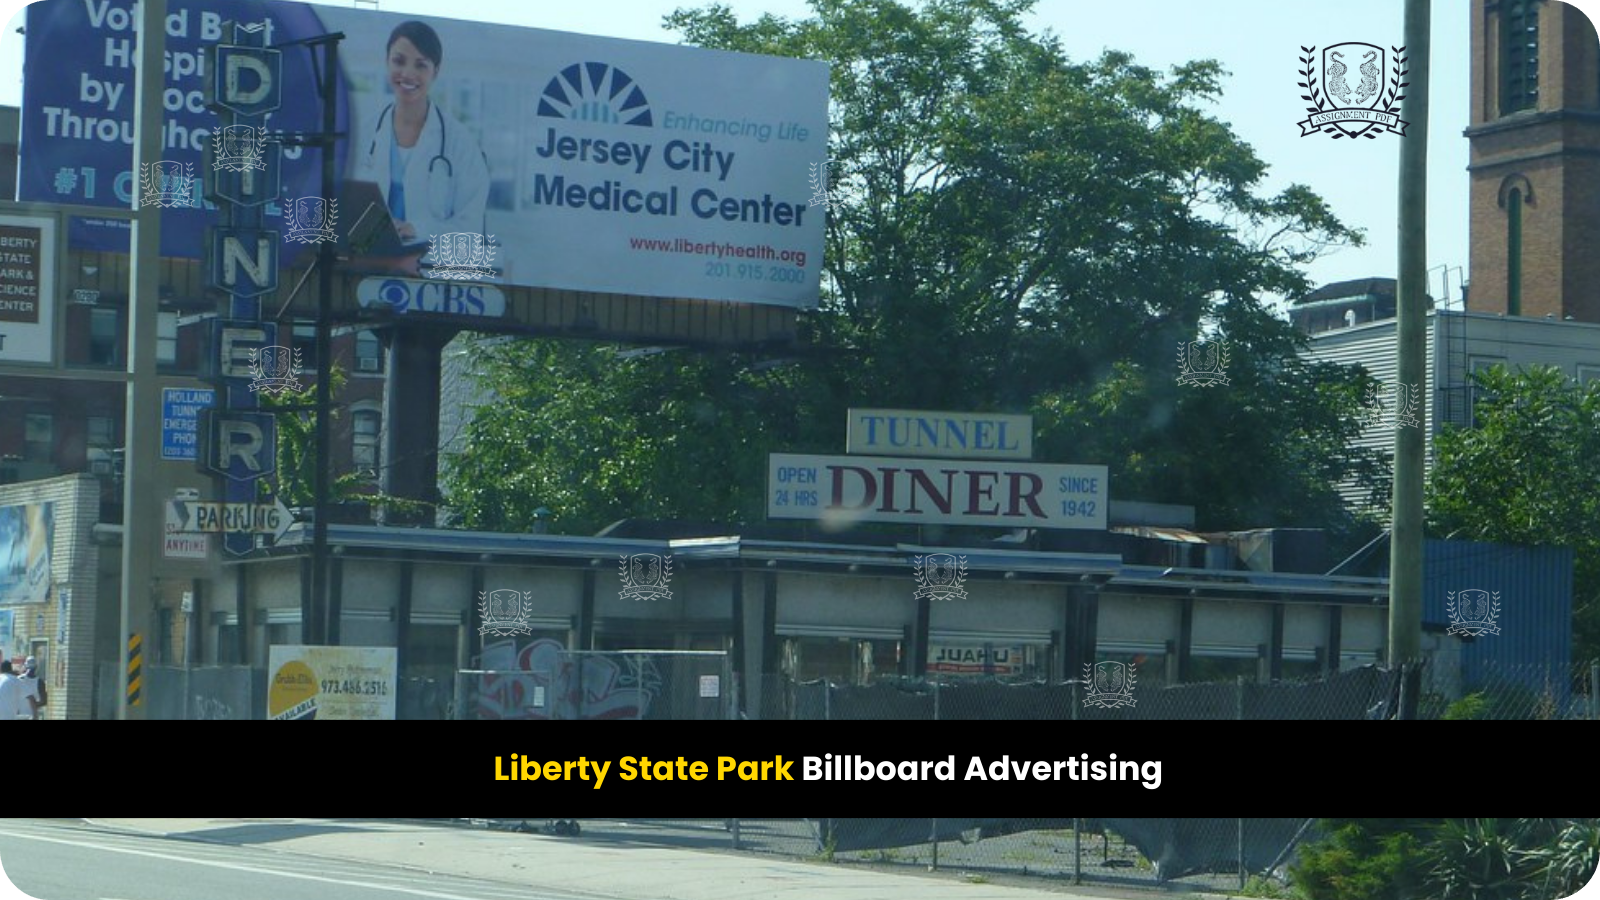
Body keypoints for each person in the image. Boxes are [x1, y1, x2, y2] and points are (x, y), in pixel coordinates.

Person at [354, 20, 490, 270]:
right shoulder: (365, 133)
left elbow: (471, 230)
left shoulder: (461, 144)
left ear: (435, 72)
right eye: (399, 61)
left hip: (434, 272)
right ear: (387, 62)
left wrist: (418, 229)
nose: (407, 74)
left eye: (421, 65)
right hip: (370, 265)